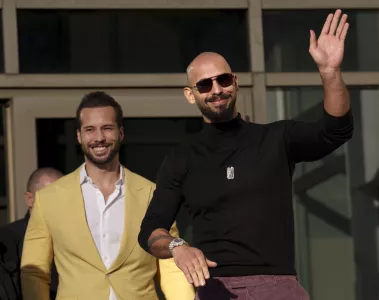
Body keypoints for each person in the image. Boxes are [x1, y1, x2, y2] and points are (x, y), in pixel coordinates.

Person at [138, 9, 353, 300]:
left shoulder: (276, 138)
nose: (216, 89)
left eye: (223, 80)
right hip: (216, 289)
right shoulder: (182, 157)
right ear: (191, 94)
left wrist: (330, 72)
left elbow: (336, 131)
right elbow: (151, 230)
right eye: (204, 85)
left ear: (235, 82)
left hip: (279, 286)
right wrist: (178, 247)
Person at [21, 92, 194, 300]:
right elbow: (34, 273)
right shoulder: (48, 199)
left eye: (107, 128)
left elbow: (170, 266)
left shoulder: (151, 194)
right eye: (90, 130)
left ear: (121, 133)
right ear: (79, 136)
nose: (99, 138)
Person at [0, 167, 63, 300]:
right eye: (51, 197)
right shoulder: (8, 240)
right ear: (30, 199)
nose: (60, 204)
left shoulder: (72, 236)